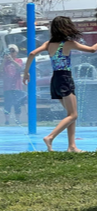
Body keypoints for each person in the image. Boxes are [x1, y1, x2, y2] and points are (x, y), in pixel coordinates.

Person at [23, 16, 97, 152]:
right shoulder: (68, 43)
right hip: (65, 78)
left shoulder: (48, 44)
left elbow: (32, 53)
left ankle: (72, 146)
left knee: (70, 114)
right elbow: (92, 50)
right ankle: (50, 137)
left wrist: (26, 73)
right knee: (74, 115)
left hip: (55, 79)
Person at [2, 44, 23, 125]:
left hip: (17, 86)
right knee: (7, 104)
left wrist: (12, 61)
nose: (11, 53)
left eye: (13, 51)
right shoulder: (5, 62)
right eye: (9, 51)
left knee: (17, 104)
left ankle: (18, 120)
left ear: (16, 52)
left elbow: (20, 68)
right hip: (7, 87)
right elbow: (0, 69)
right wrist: (4, 60)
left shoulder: (19, 60)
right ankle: (7, 120)